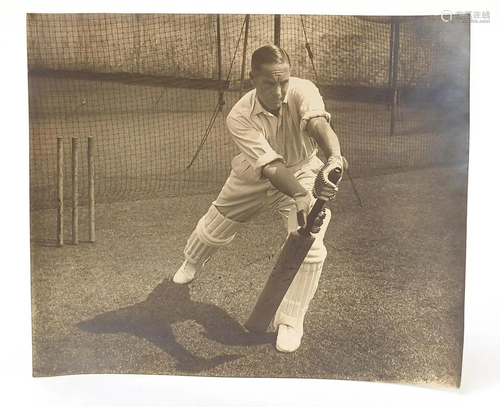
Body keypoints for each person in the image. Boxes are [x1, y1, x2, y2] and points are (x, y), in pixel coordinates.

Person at [173, 44, 346, 353]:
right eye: (269, 83)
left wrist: (334, 159)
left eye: (284, 81)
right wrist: (300, 195)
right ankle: (192, 260)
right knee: (215, 228)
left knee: (313, 249)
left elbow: (318, 124)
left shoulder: (303, 90)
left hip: (304, 169)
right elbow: (270, 166)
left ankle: (291, 320)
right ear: (252, 79)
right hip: (254, 176)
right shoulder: (238, 115)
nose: (279, 91)